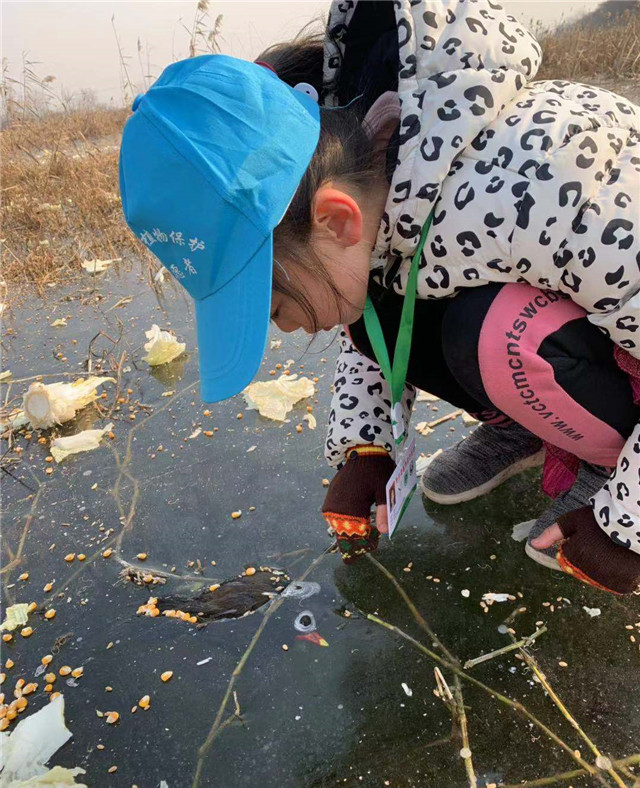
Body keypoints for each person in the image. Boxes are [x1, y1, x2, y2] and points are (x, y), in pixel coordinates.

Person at [119, 0, 640, 595]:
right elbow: (373, 334)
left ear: (334, 220)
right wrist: (366, 448)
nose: (284, 330)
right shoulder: (384, 179)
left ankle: (606, 466)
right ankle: (522, 429)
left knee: (490, 331)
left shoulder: (541, 181)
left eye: (272, 305)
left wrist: (625, 528)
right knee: (378, 312)